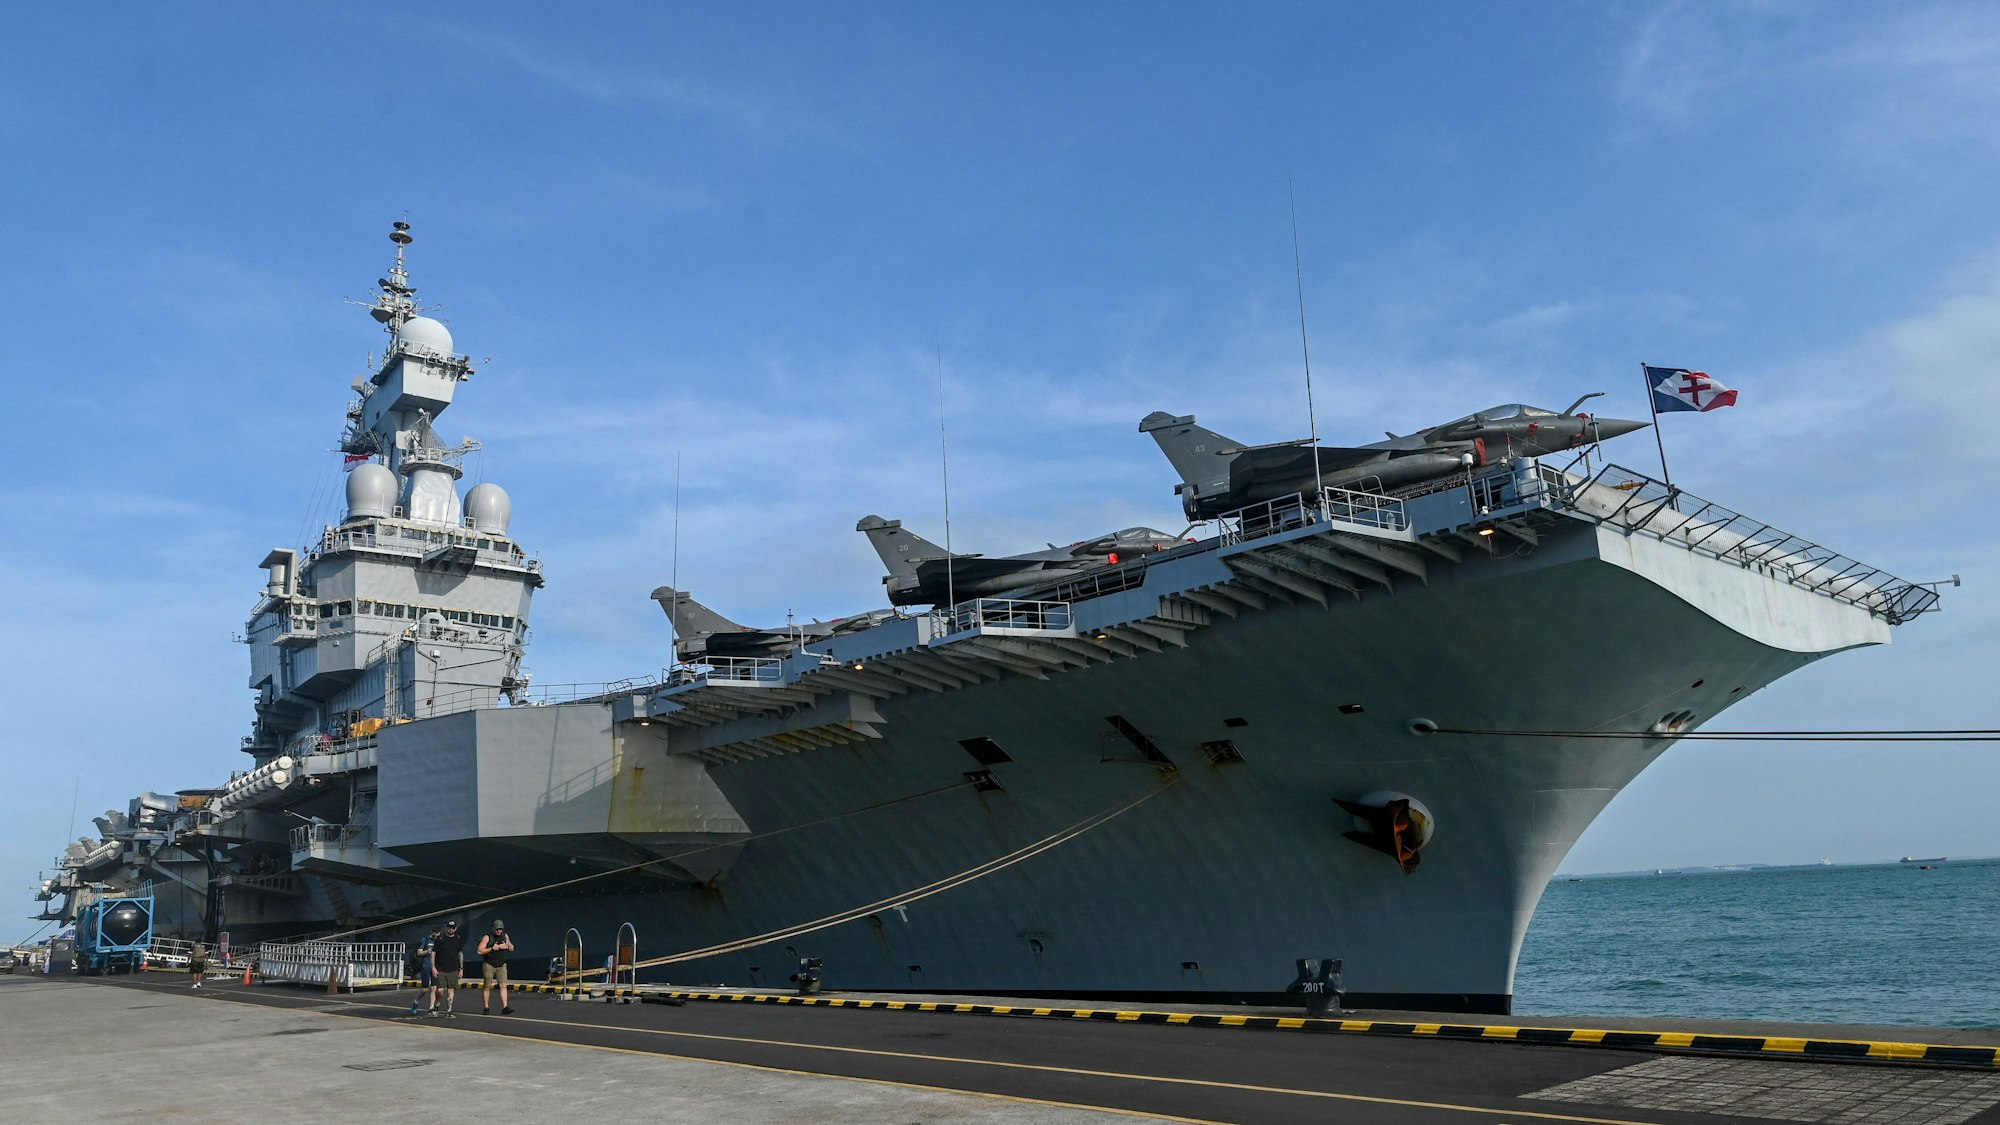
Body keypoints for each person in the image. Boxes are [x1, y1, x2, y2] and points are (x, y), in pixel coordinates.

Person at [478, 919, 515, 1015]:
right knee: (487, 987)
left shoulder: (505, 936)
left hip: (501, 965)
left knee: (503, 986)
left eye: (501, 929)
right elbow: (479, 951)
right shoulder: (487, 937)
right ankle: (486, 1007)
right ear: (493, 929)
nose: (499, 931)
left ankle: (505, 1007)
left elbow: (512, 948)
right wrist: (491, 948)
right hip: (489, 965)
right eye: (497, 929)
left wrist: (506, 946)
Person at [431, 919, 466, 1018]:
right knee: (440, 990)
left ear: (456, 928)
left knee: (451, 990)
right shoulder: (440, 938)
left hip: (453, 968)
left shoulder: (458, 938)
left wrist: (461, 968)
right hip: (441, 968)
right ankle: (437, 1005)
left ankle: (449, 1011)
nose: (451, 929)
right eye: (449, 927)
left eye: (453, 928)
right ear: (446, 928)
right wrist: (433, 967)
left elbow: (460, 953)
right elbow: (433, 953)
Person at [409, 924, 442, 1016]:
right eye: (434, 934)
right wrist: (428, 951)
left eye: (437, 934)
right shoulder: (425, 940)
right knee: (424, 988)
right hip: (426, 965)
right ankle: (416, 1001)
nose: (435, 936)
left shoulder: (439, 941)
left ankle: (431, 1008)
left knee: (434, 987)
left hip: (435, 966)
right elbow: (419, 952)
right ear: (432, 932)